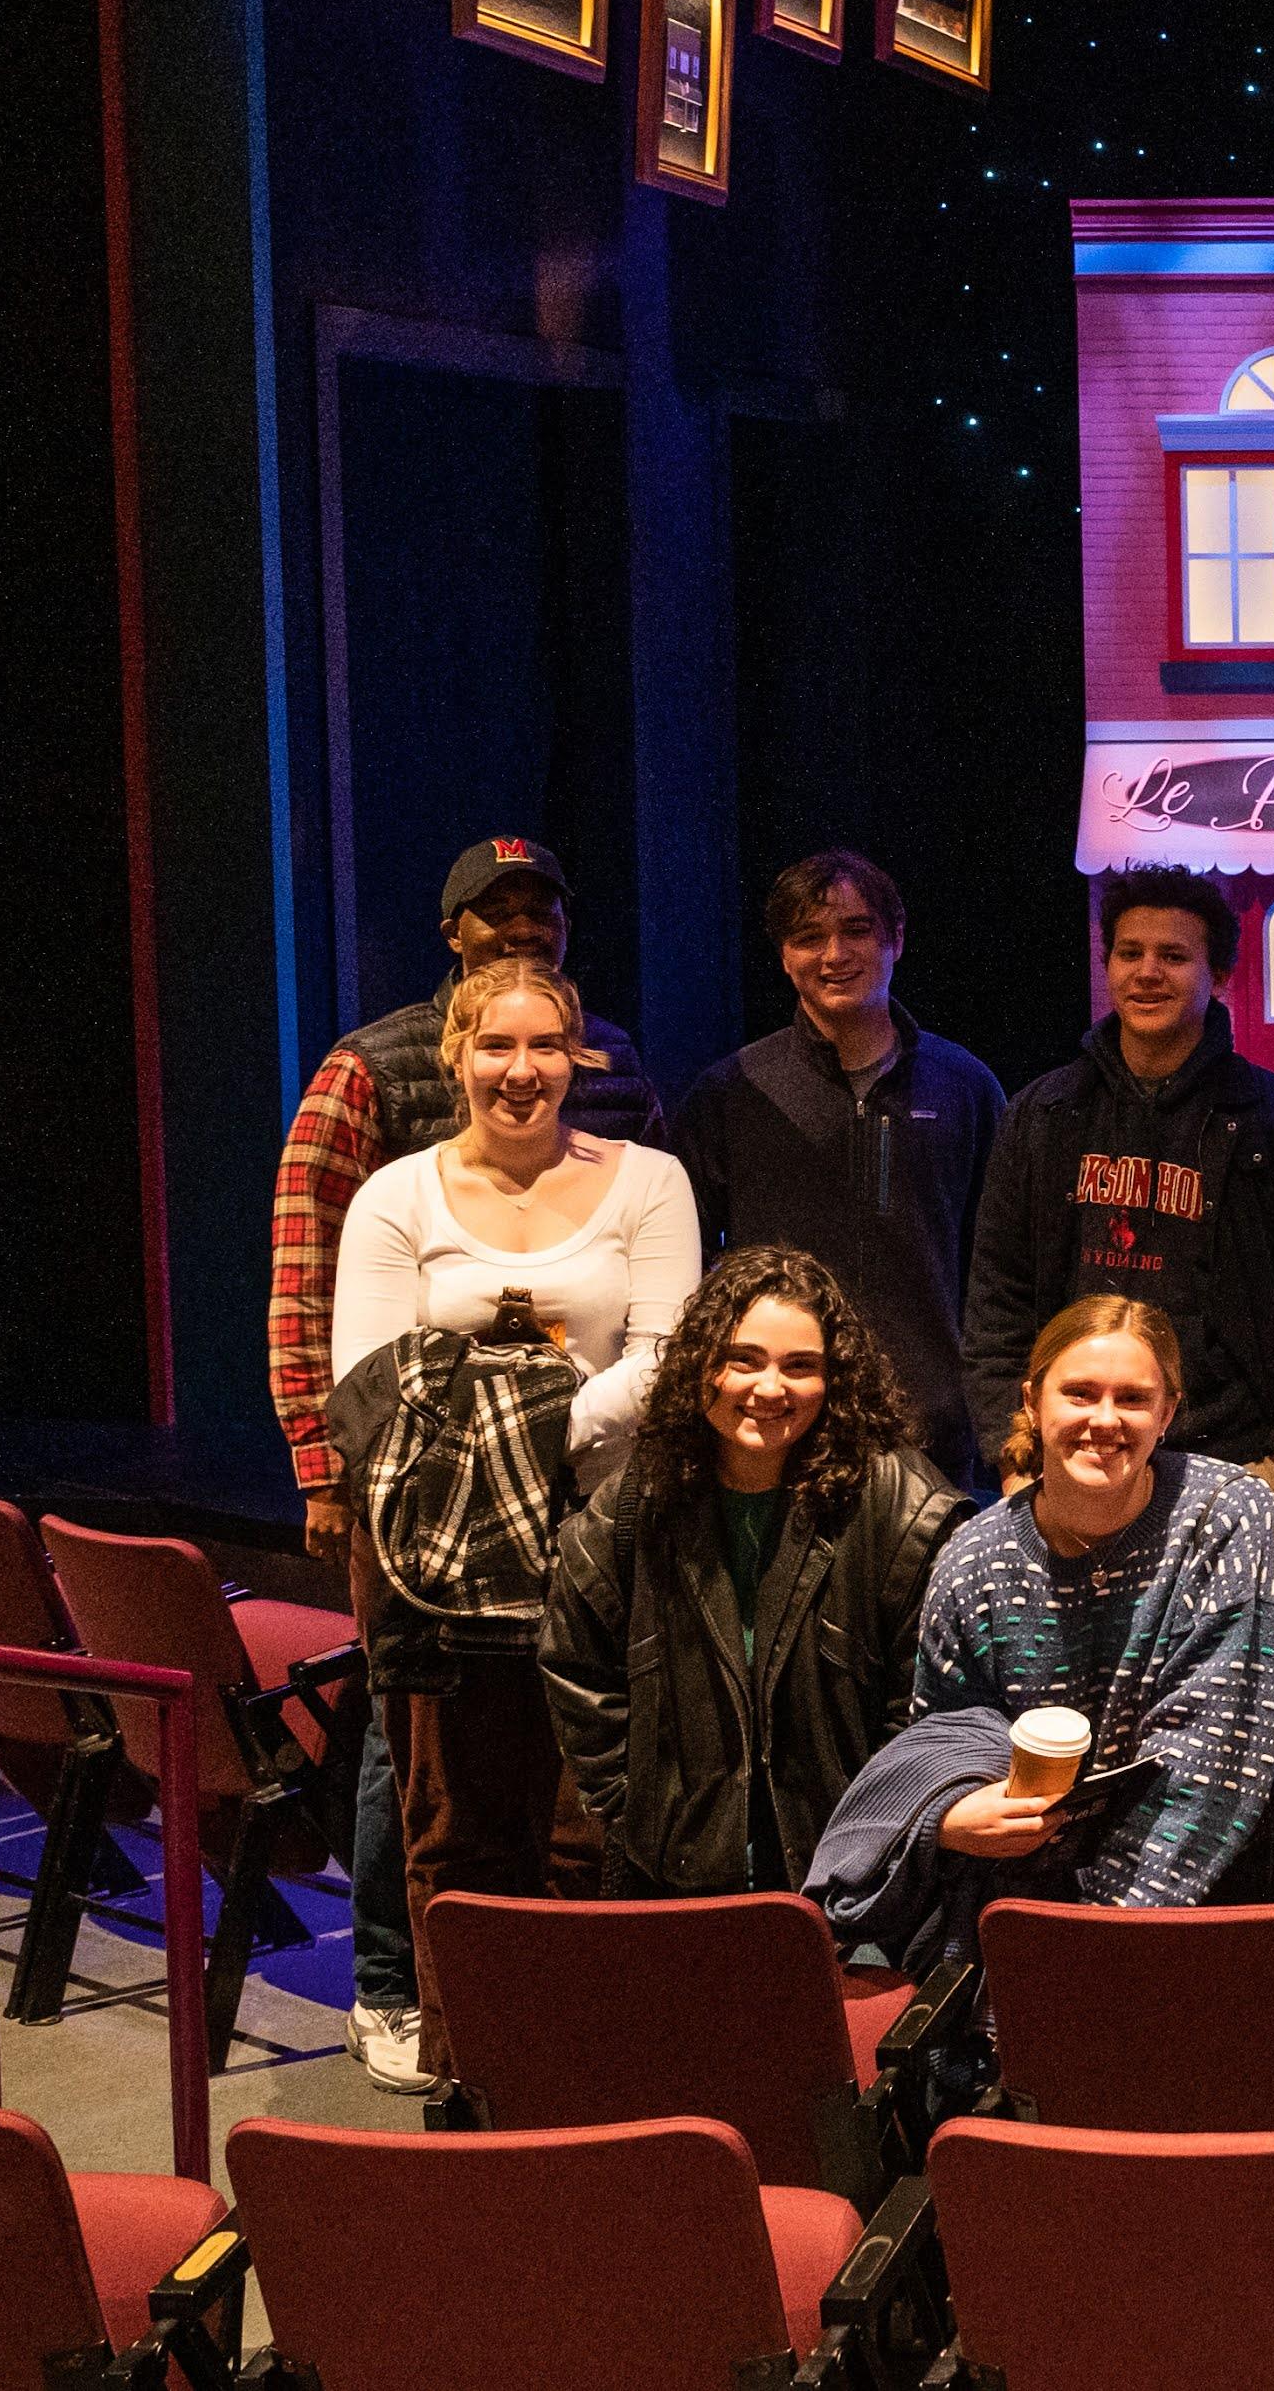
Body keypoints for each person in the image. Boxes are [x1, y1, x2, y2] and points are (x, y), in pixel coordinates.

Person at [263, 835, 655, 2089]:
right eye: (493, 912)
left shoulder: (619, 1068)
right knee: (414, 1756)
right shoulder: (364, 1070)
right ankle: (396, 1989)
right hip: (414, 1504)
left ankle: (574, 2022)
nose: (519, 925)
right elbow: (304, 1289)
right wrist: (323, 1468)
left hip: (587, 1509)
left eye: (540, 905)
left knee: (571, 1783)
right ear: (452, 935)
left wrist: (550, 1431)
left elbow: (653, 1309)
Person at [330, 957, 705, 1973]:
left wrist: (516, 1432)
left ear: (578, 1056)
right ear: (457, 1055)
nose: (521, 1067)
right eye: (496, 1043)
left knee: (585, 1827)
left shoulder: (648, 1180)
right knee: (455, 1829)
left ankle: (576, 2075)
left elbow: (667, 1364)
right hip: (434, 1558)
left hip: (600, 1537)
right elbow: (371, 1385)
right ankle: (471, 2081)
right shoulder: (393, 1196)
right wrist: (550, 1416)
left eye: (546, 1044)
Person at [540, 1244, 971, 1898]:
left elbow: (925, 1705)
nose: (770, 1389)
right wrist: (633, 1805)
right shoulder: (640, 1495)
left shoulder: (904, 1506)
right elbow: (577, 1665)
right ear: (699, 1365)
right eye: (744, 1360)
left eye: (800, 1367)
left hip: (846, 1878)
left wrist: (872, 1829)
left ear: (836, 1381)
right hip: (673, 1871)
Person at [962, 867, 1274, 1546]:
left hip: (1237, 1462)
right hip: (1076, 1455)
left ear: (1220, 974)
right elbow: (998, 1298)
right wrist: (1013, 1453)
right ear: (1106, 963)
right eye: (1129, 953)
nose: (1147, 972)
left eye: (1173, 956)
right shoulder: (1042, 1116)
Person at [912, 1292, 1274, 1908]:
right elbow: (942, 1745)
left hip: (1219, 1886)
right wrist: (951, 1813)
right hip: (1026, 1890)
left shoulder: (1228, 1514)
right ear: (1032, 1403)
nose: (1105, 1419)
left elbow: (1213, 1767)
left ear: (1168, 1412)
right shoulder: (972, 1559)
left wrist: (1100, 1938)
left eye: (1133, 1399)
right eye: (1080, 1393)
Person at [670, 850, 1009, 1482]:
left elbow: (1002, 1271)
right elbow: (687, 1271)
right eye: (809, 938)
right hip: (778, 1425)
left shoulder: (965, 1087)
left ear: (896, 939)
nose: (834, 954)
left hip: (932, 1433)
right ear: (783, 956)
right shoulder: (730, 1093)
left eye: (857, 930)